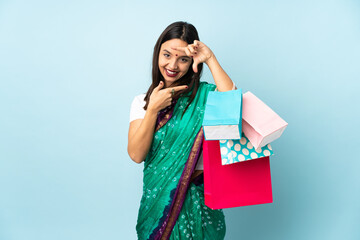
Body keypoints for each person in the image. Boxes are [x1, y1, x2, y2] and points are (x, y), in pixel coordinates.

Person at [128, 21, 236, 240]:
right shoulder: (142, 102)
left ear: (192, 62)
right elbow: (136, 154)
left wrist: (210, 58)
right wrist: (153, 110)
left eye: (183, 59)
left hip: (199, 203)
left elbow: (232, 103)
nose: (173, 65)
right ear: (157, 53)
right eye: (167, 55)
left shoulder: (205, 97)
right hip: (158, 205)